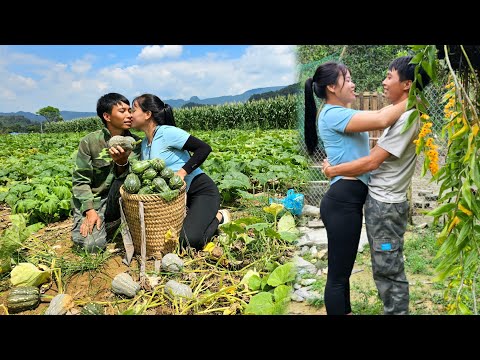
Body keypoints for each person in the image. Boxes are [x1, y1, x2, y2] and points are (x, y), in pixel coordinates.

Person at [323, 56, 431, 315]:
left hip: (385, 205)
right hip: (376, 203)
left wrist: (332, 170)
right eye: (347, 79)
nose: (383, 82)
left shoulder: (407, 117)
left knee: (388, 269)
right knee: (374, 268)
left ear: (406, 84)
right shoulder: (404, 113)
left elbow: (372, 161)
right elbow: (381, 121)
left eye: (389, 77)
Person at [304, 61, 408, 315]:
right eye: (347, 79)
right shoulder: (334, 114)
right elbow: (383, 118)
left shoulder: (338, 113)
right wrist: (415, 98)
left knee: (343, 272)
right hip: (343, 202)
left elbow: (365, 155)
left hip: (346, 199)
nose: (353, 84)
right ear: (331, 86)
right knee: (338, 276)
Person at [127, 93, 229, 250]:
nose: (130, 114)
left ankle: (220, 217)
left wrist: (182, 173)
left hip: (201, 191)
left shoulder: (167, 132)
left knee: (189, 241)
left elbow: (204, 148)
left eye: (133, 109)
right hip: (178, 198)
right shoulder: (144, 144)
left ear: (147, 114)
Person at [71, 93, 141, 253]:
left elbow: (133, 181)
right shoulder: (90, 142)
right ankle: (100, 221)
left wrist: (122, 162)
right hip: (94, 200)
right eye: (122, 111)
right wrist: (89, 210)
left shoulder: (135, 143)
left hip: (119, 201)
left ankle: (114, 220)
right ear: (107, 116)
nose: (129, 115)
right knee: (92, 246)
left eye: (130, 111)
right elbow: (80, 181)